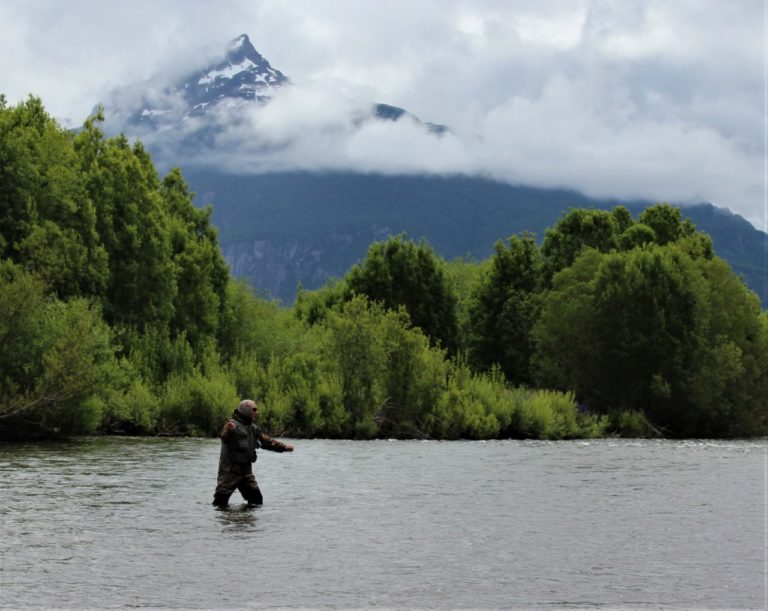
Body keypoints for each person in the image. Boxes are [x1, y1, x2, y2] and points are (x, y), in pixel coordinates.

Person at [212, 399, 294, 508]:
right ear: (246, 410)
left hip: (246, 473)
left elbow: (266, 442)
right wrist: (228, 430)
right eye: (254, 410)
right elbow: (223, 437)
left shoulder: (253, 428)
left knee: (256, 501)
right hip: (229, 473)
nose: (256, 412)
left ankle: (246, 520)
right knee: (219, 504)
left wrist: (284, 447)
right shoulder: (231, 425)